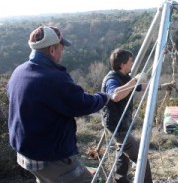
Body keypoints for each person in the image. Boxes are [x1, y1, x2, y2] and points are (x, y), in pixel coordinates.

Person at [7, 25, 110, 183]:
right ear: (52, 50)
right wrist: (104, 97)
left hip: (26, 154)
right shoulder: (53, 78)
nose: (63, 52)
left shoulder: (19, 72)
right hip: (50, 158)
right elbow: (82, 104)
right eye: (61, 47)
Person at [101, 48, 153, 183]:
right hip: (117, 126)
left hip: (122, 123)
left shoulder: (124, 78)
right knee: (141, 159)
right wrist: (135, 80)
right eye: (131, 61)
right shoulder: (111, 79)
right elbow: (116, 95)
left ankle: (120, 180)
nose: (133, 63)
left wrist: (159, 86)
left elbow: (138, 87)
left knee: (122, 155)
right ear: (123, 64)